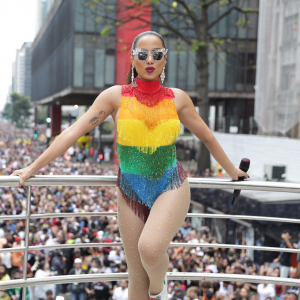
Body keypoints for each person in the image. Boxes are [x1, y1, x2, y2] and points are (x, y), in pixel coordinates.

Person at [10, 30, 249, 300]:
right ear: (133, 59)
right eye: (142, 54)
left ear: (165, 59)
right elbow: (72, 133)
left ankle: (160, 290)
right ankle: (152, 289)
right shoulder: (114, 97)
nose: (150, 59)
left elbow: (206, 136)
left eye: (157, 54)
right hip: (130, 190)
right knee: (136, 279)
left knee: (150, 248)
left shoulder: (178, 98)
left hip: (170, 184)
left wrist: (232, 171)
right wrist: (32, 168)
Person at [273, 230, 294, 294]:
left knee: (283, 280)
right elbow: (281, 252)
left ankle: (283, 294)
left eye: (287, 235)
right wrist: (277, 259)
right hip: (281, 263)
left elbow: (291, 249)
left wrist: (286, 239)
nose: (286, 236)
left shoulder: (290, 242)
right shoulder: (283, 243)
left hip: (286, 264)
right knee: (283, 279)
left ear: (290, 237)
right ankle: (288, 292)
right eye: (285, 234)